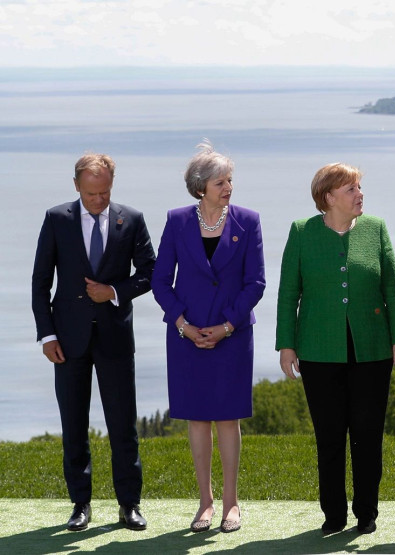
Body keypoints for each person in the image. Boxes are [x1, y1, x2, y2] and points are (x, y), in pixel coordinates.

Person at [276, 162, 395, 536]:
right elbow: (289, 293)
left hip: (373, 349)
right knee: (330, 437)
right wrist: (287, 345)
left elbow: (392, 287)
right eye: (351, 189)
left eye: (359, 188)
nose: (360, 195)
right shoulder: (302, 232)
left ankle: (366, 513)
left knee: (368, 436)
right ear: (329, 197)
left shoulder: (376, 228)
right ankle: (333, 515)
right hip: (318, 352)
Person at [31, 153, 155, 532]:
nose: (98, 200)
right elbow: (40, 282)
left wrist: (115, 291)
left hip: (116, 338)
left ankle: (129, 505)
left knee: (123, 426)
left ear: (112, 185)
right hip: (67, 341)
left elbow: (151, 272)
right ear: (76, 186)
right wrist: (47, 334)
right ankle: (80, 505)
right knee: (74, 424)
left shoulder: (130, 219)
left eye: (104, 192)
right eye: (90, 193)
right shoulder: (56, 219)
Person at [151, 143, 266, 533]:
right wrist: (183, 325)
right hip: (187, 336)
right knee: (197, 419)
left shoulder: (248, 221)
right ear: (201, 187)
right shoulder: (177, 220)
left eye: (230, 180)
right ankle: (205, 503)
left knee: (227, 418)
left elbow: (256, 283)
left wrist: (228, 326)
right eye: (221, 181)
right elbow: (160, 281)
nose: (229, 187)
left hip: (232, 335)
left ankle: (232, 504)